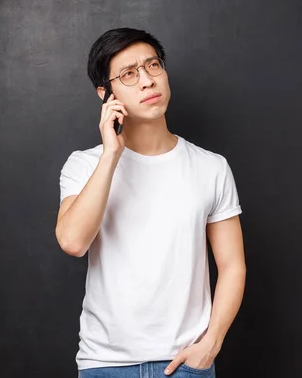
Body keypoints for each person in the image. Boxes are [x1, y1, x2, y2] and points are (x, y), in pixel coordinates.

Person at [56, 28, 246, 378]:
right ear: (105, 93)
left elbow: (232, 264)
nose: (146, 81)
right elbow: (73, 242)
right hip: (105, 366)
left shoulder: (210, 166)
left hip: (187, 365)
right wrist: (112, 154)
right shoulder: (84, 165)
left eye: (153, 66)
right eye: (128, 74)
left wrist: (211, 344)